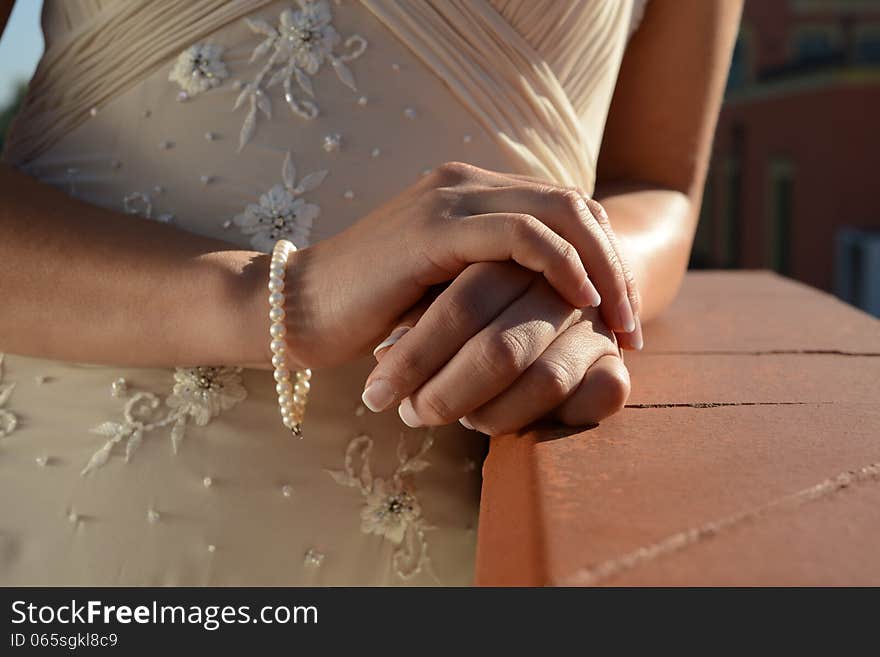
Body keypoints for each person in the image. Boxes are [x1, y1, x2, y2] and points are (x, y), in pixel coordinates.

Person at [0, 0, 740, 585]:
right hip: (82, 499)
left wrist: (572, 276)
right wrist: (292, 300)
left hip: (455, 517)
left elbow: (658, 183)